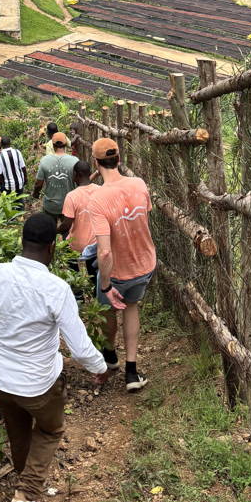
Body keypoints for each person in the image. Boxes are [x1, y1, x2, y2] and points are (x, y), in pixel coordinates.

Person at [0, 214, 109, 502]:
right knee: (50, 429)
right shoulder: (55, 288)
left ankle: (25, 489)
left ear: (22, 240)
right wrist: (100, 368)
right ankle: (26, 496)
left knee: (18, 433)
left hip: (1, 380)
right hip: (39, 383)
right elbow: (80, 346)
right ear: (52, 247)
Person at [89, 137, 156, 392]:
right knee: (131, 307)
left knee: (108, 309)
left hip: (117, 271)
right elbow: (142, 218)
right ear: (119, 159)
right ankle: (132, 371)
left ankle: (110, 356)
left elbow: (104, 252)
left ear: (96, 162)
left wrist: (106, 285)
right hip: (144, 264)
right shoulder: (138, 184)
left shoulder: (98, 199)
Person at [60, 160, 100, 294]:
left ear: (77, 175)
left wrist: (53, 230)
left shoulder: (71, 197)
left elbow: (66, 224)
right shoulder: (101, 191)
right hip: (97, 244)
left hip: (77, 246)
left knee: (74, 275)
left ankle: (78, 297)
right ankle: (97, 300)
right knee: (95, 276)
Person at [32, 133, 78, 221]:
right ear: (65, 144)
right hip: (69, 204)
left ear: (52, 145)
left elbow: (38, 184)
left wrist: (36, 193)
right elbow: (79, 182)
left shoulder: (44, 160)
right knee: (67, 232)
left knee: (49, 230)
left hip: (50, 205)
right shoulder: (75, 161)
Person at [0, 137, 27, 209]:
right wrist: (25, 179)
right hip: (19, 182)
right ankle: (21, 216)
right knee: (20, 200)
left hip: (8, 185)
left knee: (10, 204)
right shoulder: (17, 152)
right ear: (10, 143)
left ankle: (12, 218)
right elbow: (23, 168)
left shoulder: (0, 156)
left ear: (1, 145)